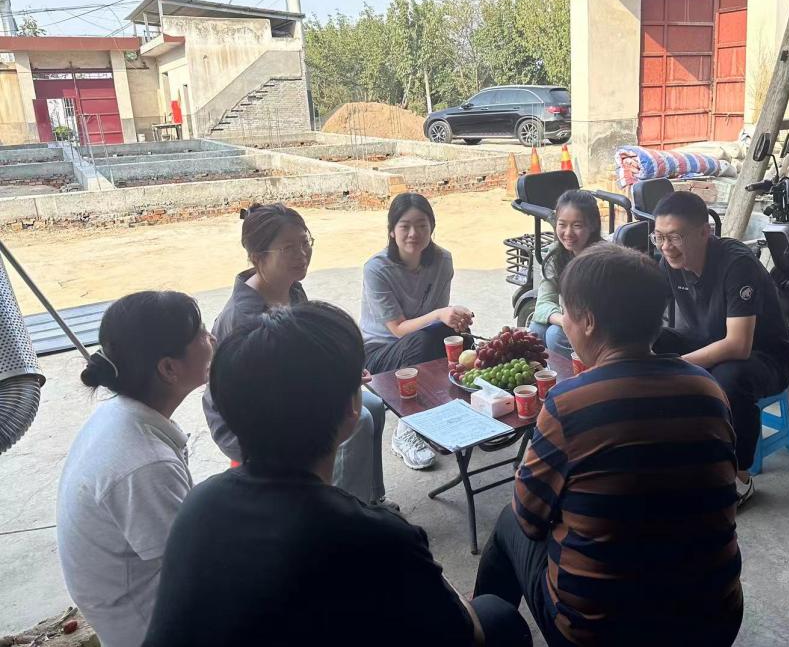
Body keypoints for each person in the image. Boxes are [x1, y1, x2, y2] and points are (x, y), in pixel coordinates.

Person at [143, 302, 531, 647]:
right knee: (497, 616)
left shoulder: (199, 505)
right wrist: (446, 588)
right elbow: (467, 633)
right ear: (351, 408)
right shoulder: (376, 534)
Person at [474, 245, 743, 647]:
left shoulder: (569, 403)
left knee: (509, 521)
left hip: (602, 633)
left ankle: (481, 628)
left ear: (588, 321)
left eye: (566, 312)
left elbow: (530, 519)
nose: (563, 322)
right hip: (715, 620)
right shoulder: (708, 389)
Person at [202, 202, 390, 507]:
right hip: (253, 422)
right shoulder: (243, 317)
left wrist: (341, 373)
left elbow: (302, 358)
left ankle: (369, 498)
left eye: (305, 242)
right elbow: (267, 393)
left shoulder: (291, 289)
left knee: (373, 405)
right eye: (288, 248)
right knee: (359, 420)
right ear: (258, 257)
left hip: (291, 396)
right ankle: (341, 512)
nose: (302, 254)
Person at [56, 291, 214, 647]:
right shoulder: (146, 464)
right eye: (202, 333)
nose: (212, 338)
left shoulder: (120, 415)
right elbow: (198, 568)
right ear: (168, 368)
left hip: (129, 602)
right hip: (149, 628)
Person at [651, 190, 789, 507]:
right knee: (649, 341)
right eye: (659, 237)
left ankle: (739, 476)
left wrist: (677, 366)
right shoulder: (669, 261)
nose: (665, 246)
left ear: (705, 232)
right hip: (706, 340)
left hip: (764, 356)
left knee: (729, 378)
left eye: (674, 237)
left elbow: (738, 345)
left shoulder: (737, 264)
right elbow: (646, 311)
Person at [361, 192, 474, 470]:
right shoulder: (376, 269)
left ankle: (452, 413)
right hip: (379, 352)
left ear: (432, 228)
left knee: (462, 342)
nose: (414, 233)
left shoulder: (442, 260)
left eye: (422, 225)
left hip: (419, 340)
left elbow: (438, 323)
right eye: (405, 226)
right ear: (392, 231)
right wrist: (440, 314)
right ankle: (407, 429)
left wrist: (456, 317)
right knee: (424, 342)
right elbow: (399, 329)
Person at [528, 189, 603, 358]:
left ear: (593, 225)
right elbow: (543, 303)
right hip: (571, 321)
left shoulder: (604, 259)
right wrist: (564, 321)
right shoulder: (556, 254)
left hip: (600, 330)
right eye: (562, 224)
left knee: (555, 335)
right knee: (536, 330)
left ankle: (581, 372)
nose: (568, 233)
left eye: (577, 226)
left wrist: (569, 324)